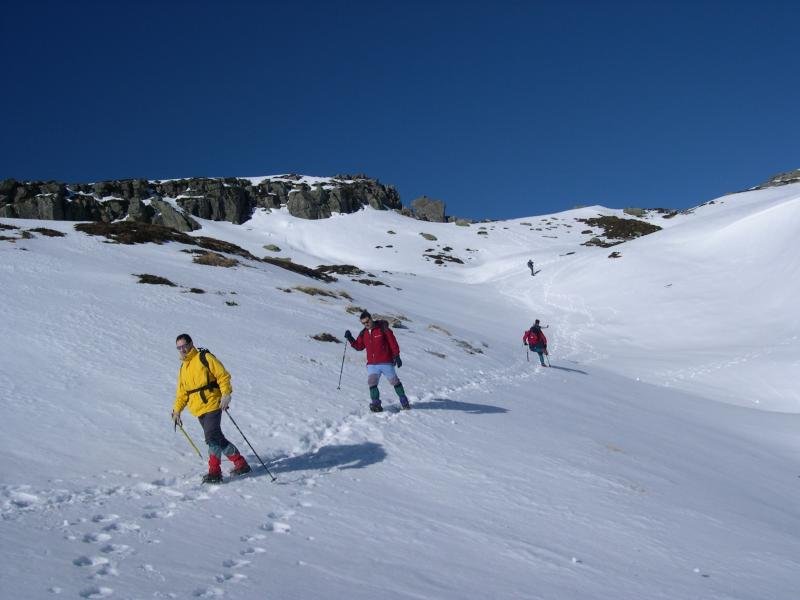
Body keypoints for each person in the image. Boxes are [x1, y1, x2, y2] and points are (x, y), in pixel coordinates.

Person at [171, 334, 251, 483]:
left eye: (184, 346)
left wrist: (226, 394)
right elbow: (182, 393)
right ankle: (241, 463)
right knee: (217, 437)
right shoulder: (183, 368)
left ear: (191, 344)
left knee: (211, 437)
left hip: (213, 403)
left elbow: (223, 376)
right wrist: (176, 411)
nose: (182, 349)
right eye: (179, 347)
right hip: (198, 409)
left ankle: (214, 472)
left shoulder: (204, 357)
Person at [345, 310, 411, 412]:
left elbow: (392, 342)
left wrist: (397, 356)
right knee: (372, 383)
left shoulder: (383, 329)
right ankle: (376, 404)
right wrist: (350, 338)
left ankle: (404, 402)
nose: (366, 324)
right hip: (372, 364)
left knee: (395, 382)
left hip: (386, 361)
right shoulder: (364, 333)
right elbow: (359, 346)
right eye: (363, 323)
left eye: (367, 321)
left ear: (371, 319)